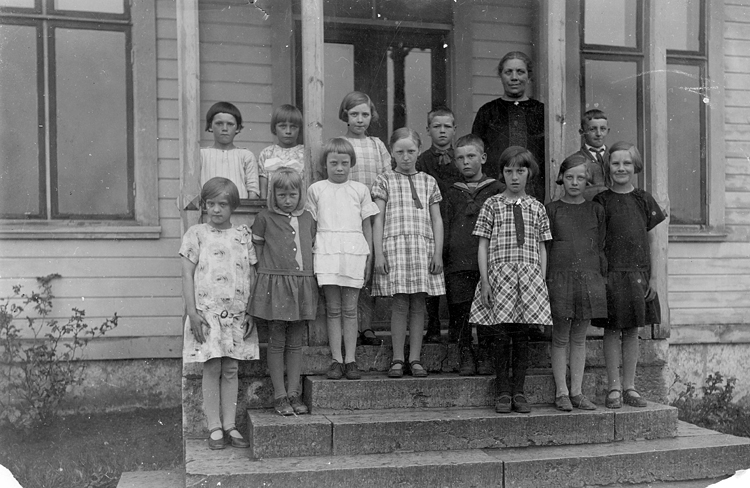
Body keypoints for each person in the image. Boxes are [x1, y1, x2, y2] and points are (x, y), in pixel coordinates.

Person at [469, 146, 552, 414]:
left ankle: (519, 391)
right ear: (502, 173)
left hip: (528, 280)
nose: (514, 177)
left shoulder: (537, 207)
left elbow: (542, 247)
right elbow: (483, 245)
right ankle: (503, 391)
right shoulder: (492, 204)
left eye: (520, 171)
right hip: (500, 279)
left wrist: (540, 282)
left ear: (530, 173)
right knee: (502, 336)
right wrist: (485, 281)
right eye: (508, 171)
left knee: (522, 337)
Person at [180, 177, 259, 450]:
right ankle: (214, 426)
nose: (215, 209)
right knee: (212, 365)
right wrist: (192, 312)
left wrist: (251, 312)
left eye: (222, 204)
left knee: (231, 368)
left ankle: (230, 425)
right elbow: (186, 275)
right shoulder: (196, 234)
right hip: (206, 314)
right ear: (204, 205)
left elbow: (251, 274)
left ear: (233, 206)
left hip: (236, 313)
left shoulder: (242, 235)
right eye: (211, 204)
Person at [593, 142, 665, 409]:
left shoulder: (644, 199)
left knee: (633, 330)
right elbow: (596, 243)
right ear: (608, 167)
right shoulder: (602, 201)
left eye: (626, 163)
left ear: (636, 167)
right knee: (612, 330)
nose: (621, 168)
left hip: (638, 274)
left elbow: (653, 241)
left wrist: (654, 278)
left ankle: (629, 387)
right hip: (612, 274)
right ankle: (613, 387)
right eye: (615, 163)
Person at [372, 128, 445, 379]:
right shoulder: (384, 180)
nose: (405, 157)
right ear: (391, 152)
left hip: (422, 248)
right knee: (400, 302)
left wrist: (437, 253)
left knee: (418, 304)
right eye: (400, 151)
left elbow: (436, 220)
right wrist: (379, 253)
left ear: (419, 151)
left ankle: (415, 358)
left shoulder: (428, 181)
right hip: (395, 249)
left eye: (411, 151)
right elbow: (378, 218)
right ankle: (397, 358)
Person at [306, 138, 380, 380]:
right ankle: (336, 359)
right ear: (325, 164)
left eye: (344, 163)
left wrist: (369, 257)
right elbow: (312, 226)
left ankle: (351, 360)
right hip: (327, 251)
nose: (339, 168)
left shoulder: (360, 190)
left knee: (350, 310)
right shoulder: (316, 189)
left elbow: (367, 226)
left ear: (351, 164)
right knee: (333, 309)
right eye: (334, 163)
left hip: (353, 251)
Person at [249, 168, 318, 416]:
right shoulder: (264, 218)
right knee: (277, 339)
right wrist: (265, 275)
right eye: (281, 195)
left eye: (292, 194)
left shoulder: (308, 218)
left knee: (296, 342)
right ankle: (279, 395)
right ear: (273, 195)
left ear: (300, 194)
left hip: (301, 284)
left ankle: (294, 393)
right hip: (275, 284)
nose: (287, 200)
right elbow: (257, 250)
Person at [545, 154, 607, 411]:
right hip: (560, 279)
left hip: (587, 278)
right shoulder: (551, 209)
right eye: (569, 177)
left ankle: (577, 392)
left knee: (579, 338)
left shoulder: (595, 210)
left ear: (587, 180)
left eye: (580, 178)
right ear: (561, 178)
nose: (574, 182)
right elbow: (547, 247)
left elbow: (599, 246)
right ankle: (561, 392)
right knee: (560, 337)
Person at [443, 134, 504, 376]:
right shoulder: (451, 192)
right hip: (458, 260)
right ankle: (466, 352)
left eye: (471, 156)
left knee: (488, 306)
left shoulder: (497, 190)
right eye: (460, 158)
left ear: (483, 157)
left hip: (488, 261)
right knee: (461, 308)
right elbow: (445, 225)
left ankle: (486, 352)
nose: (466, 162)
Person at [339, 91, 391, 346]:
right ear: (345, 116)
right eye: (354, 114)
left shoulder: (376, 145)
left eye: (365, 114)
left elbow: (387, 178)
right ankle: (348, 326)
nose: (360, 119)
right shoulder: (340, 143)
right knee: (350, 270)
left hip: (372, 214)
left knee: (369, 270)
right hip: (347, 214)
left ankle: (367, 326)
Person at [471, 52, 545, 202]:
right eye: (508, 72)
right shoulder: (488, 111)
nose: (514, 77)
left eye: (520, 72)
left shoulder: (541, 111)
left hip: (533, 191)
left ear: (529, 76)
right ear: (501, 75)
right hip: (494, 191)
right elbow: (475, 152)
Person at [416, 107, 460, 344]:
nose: (442, 131)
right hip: (431, 222)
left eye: (447, 126)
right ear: (428, 130)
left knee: (455, 275)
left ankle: (455, 325)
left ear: (454, 130)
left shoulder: (461, 158)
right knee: (430, 272)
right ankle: (432, 324)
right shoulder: (422, 160)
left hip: (457, 222)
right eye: (436, 126)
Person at [200, 102, 260, 200]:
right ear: (210, 126)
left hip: (240, 208)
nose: (224, 128)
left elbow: (253, 190)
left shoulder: (245, 155)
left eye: (230, 124)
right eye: (219, 123)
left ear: (238, 128)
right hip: (209, 208)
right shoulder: (201, 155)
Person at [258, 104, 306, 199]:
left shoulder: (305, 153)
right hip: (273, 205)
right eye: (283, 126)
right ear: (274, 128)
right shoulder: (267, 153)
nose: (288, 131)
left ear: (300, 129)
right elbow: (263, 187)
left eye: (293, 127)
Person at [571, 109, 610, 201]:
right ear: (582, 132)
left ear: (608, 131)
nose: (599, 134)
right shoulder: (575, 160)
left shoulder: (615, 158)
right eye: (592, 129)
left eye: (603, 129)